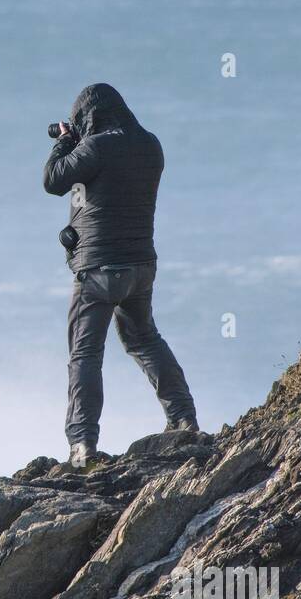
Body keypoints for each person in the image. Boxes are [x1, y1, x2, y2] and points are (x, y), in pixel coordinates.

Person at [43, 82, 199, 467]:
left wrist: (64, 141)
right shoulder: (151, 146)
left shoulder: (93, 148)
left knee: (85, 354)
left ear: (86, 118)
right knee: (144, 339)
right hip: (140, 266)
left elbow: (53, 181)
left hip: (97, 271)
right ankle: (183, 417)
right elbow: (102, 188)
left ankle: (82, 445)